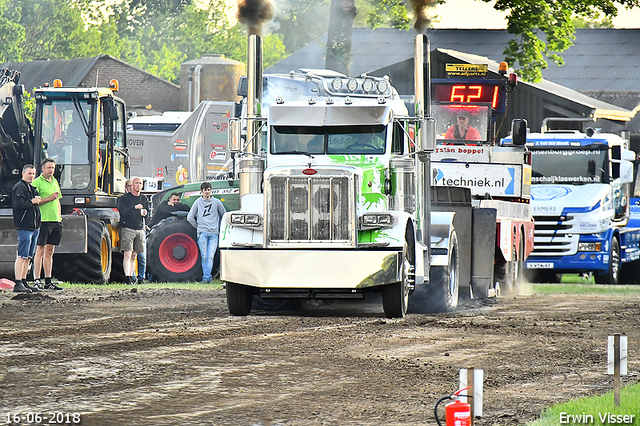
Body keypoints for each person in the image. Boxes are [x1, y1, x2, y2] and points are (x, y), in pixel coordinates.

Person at [32, 158, 64, 291]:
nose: (51, 170)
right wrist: (49, 198)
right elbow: (34, 202)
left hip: (55, 220)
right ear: (43, 168)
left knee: (50, 251)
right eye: (49, 168)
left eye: (53, 168)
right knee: (40, 249)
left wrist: (59, 217)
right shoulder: (36, 183)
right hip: (43, 221)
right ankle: (36, 279)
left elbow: (58, 201)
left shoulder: (55, 181)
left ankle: (48, 280)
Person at [187, 181, 226, 283]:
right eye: (205, 190)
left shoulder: (217, 202)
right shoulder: (198, 202)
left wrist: (219, 227)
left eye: (208, 190)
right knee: (204, 256)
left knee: (210, 256)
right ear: (202, 191)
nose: (207, 192)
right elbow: (190, 217)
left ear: (211, 190)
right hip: (202, 233)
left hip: (214, 233)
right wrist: (198, 227)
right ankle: (207, 278)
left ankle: (207, 278)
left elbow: (224, 215)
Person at [12, 164, 42, 293]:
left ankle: (24, 280)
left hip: (34, 226)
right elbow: (18, 204)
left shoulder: (31, 188)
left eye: (33, 174)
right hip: (24, 225)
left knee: (29, 256)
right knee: (22, 255)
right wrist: (32, 201)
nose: (31, 176)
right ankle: (18, 282)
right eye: (29, 173)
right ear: (23, 174)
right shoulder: (19, 187)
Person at [117, 177, 148, 285]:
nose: (139, 185)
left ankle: (133, 276)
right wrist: (135, 208)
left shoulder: (144, 198)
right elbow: (123, 212)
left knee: (135, 254)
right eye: (136, 183)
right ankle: (128, 277)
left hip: (139, 228)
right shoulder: (124, 198)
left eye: (140, 183)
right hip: (128, 228)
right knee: (127, 253)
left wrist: (144, 213)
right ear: (132, 186)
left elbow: (147, 212)